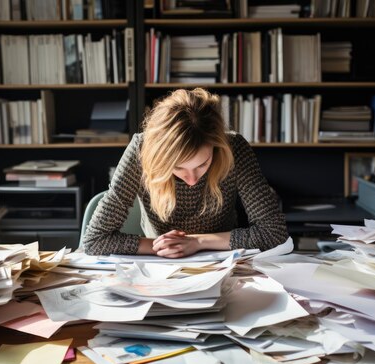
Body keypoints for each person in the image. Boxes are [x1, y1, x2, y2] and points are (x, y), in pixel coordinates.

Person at [82, 88, 288, 258]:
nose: (192, 180)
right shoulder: (141, 149)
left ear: (217, 149)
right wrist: (162, 246)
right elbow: (94, 240)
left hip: (222, 258)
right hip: (160, 262)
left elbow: (274, 232)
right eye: (178, 168)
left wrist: (197, 242)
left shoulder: (233, 148)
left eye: (202, 164)